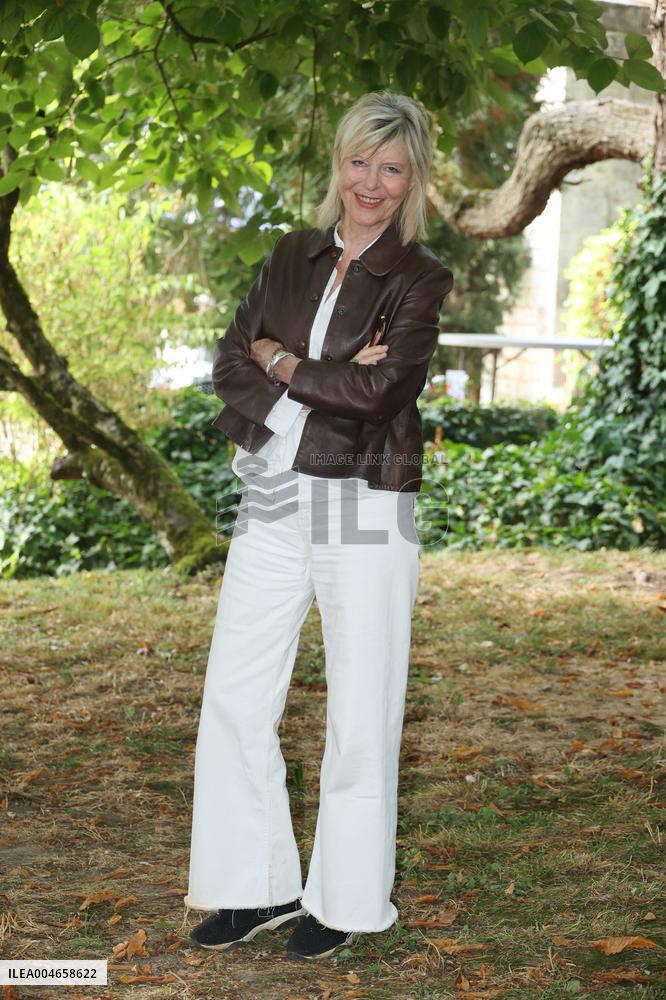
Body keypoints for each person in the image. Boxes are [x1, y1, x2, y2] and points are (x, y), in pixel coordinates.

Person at [184, 90, 454, 961]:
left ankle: (344, 901)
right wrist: (322, 372)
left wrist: (287, 361)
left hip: (366, 504)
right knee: (234, 692)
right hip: (270, 497)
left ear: (411, 181)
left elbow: (382, 394)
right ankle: (252, 886)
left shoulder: (419, 278)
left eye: (391, 168)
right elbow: (230, 363)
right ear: (337, 163)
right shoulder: (288, 256)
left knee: (361, 706)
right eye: (358, 162)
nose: (369, 183)